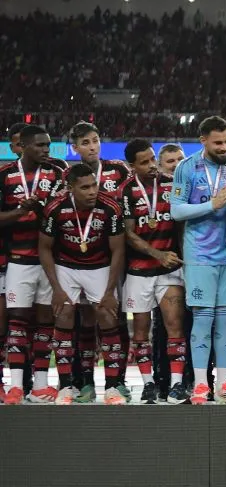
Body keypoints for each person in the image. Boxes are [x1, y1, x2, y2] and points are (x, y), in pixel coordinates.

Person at [170, 115, 226, 405]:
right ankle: (201, 384)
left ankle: (224, 383)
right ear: (203, 140)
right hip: (200, 255)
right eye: (218, 142)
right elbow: (176, 211)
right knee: (203, 319)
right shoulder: (186, 167)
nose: (224, 147)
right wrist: (212, 204)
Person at [38, 163, 126, 405]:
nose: (92, 191)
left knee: (107, 315)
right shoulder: (55, 207)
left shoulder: (110, 207)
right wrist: (56, 289)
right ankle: (66, 386)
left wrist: (110, 291)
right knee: (64, 313)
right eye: (85, 187)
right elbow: (44, 248)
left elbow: (118, 250)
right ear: (70, 188)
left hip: (100, 265)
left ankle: (112, 387)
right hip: (65, 265)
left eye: (94, 185)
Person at [0, 125, 65, 404]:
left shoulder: (58, 174)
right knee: (17, 321)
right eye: (40, 145)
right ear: (23, 146)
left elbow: (66, 216)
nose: (46, 150)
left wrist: (44, 211)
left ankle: (39, 385)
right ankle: (15, 387)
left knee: (45, 323)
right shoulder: (4, 175)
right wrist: (21, 211)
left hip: (51, 261)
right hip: (18, 259)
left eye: (48, 145)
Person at [68, 121, 133, 401]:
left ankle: (118, 381)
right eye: (85, 143)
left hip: (116, 255)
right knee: (85, 319)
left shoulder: (118, 170)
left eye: (95, 140)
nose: (92, 147)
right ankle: (84, 381)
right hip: (83, 256)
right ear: (75, 148)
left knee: (115, 317)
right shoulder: (69, 175)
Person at [120, 139, 187, 404]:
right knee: (140, 331)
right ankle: (148, 384)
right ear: (131, 165)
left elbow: (181, 225)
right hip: (139, 270)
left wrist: (183, 257)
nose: (151, 165)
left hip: (170, 269)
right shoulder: (127, 191)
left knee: (174, 326)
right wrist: (158, 253)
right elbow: (128, 233)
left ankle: (177, 384)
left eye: (152, 159)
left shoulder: (172, 184)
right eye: (144, 162)